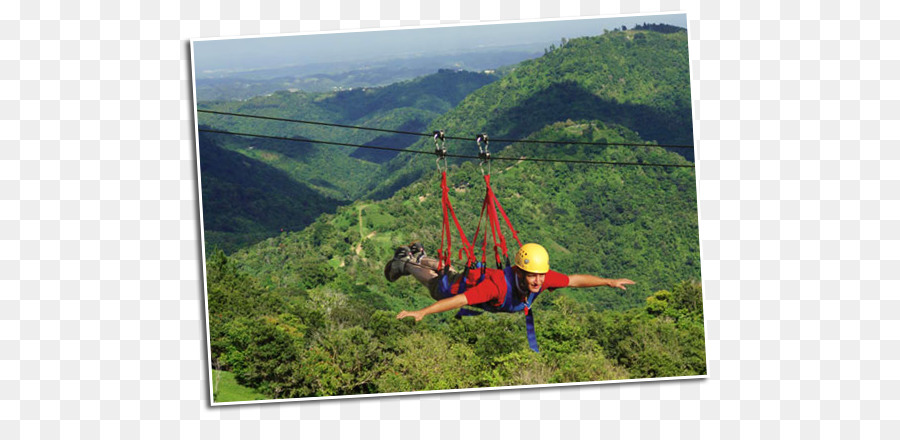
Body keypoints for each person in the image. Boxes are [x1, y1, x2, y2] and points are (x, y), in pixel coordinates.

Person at [385, 242, 635, 322]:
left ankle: (421, 256)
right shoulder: (496, 287)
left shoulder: (543, 277)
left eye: (540, 275)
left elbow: (574, 280)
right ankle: (406, 263)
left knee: (452, 272)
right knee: (438, 286)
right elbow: (458, 300)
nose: (538, 281)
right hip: (459, 288)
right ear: (519, 271)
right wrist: (422, 312)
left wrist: (607, 282)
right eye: (532, 275)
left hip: (471, 278)